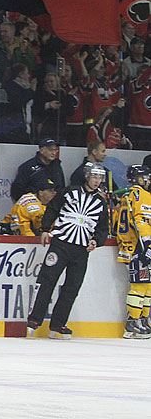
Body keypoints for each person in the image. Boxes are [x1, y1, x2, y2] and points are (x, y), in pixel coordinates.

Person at [26, 162, 110, 339]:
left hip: (81, 251)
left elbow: (103, 229)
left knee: (72, 287)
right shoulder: (69, 192)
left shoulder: (101, 203)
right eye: (94, 176)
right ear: (87, 176)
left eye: (100, 178)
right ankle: (34, 320)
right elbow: (52, 209)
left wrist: (96, 241)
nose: (97, 181)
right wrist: (45, 229)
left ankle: (58, 323)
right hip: (61, 245)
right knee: (47, 281)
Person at [116, 165, 151, 339]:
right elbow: (142, 222)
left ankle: (143, 320)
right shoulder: (143, 195)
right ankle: (133, 323)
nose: (148, 180)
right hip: (140, 247)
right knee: (139, 286)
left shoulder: (125, 195)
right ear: (138, 178)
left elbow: (117, 223)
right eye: (146, 177)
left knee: (147, 285)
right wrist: (148, 244)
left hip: (128, 246)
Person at [10, 138, 65, 202]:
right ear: (41, 150)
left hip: (54, 206)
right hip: (34, 206)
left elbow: (62, 187)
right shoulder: (28, 167)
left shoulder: (57, 166)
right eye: (50, 150)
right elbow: (17, 190)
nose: (53, 153)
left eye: (55, 150)